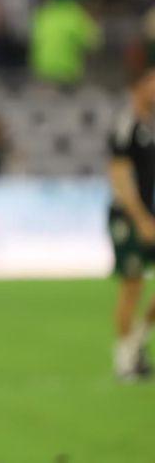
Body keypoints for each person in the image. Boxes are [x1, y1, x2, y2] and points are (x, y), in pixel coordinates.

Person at [107, 66, 155, 381]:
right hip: (129, 217)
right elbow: (120, 175)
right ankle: (124, 358)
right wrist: (140, 218)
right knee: (132, 286)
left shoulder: (148, 129)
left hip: (149, 215)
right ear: (137, 87)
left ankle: (137, 343)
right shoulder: (126, 125)